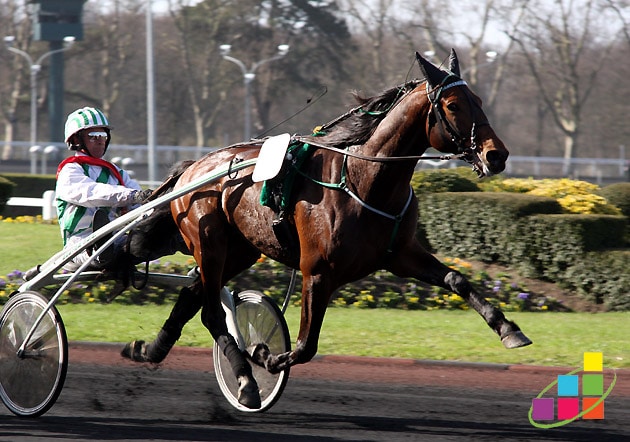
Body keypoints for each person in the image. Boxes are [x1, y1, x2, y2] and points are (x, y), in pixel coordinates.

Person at [56, 106, 153, 269]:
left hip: (118, 240)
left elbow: (138, 205)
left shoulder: (118, 173)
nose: (101, 140)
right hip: (79, 245)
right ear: (77, 140)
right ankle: (100, 247)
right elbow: (91, 193)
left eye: (103, 135)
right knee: (103, 244)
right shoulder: (70, 170)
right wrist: (132, 195)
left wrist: (154, 205)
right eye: (94, 136)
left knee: (164, 232)